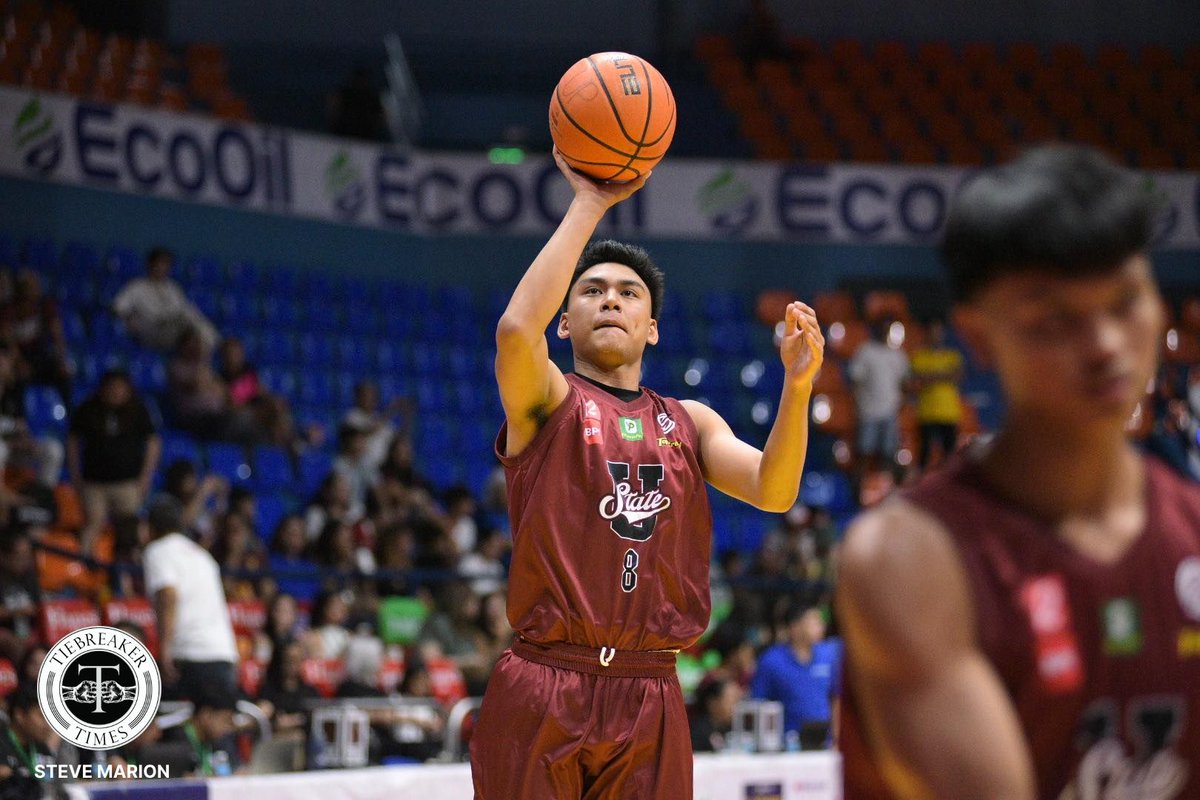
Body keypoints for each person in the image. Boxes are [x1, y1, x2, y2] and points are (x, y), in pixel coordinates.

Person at [837, 144, 1200, 799]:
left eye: (1125, 302)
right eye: (1054, 320)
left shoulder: (1189, 527)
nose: (1106, 344)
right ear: (977, 335)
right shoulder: (908, 558)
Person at [470, 150, 824, 799]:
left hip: (650, 688)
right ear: (567, 321)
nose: (611, 299)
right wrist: (591, 200)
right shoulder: (548, 402)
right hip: (545, 676)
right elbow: (518, 330)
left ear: (653, 328)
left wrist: (797, 389)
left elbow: (775, 490)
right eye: (592, 291)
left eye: (628, 293)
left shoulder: (691, 421)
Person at [141, 495, 239, 702]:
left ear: (151, 527)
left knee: (179, 730)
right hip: (223, 653)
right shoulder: (202, 555)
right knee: (218, 731)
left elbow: (168, 595)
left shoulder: (158, 551)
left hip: (190, 655)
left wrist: (165, 649)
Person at [67, 369, 160, 554]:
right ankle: (84, 567)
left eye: (120, 388)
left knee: (131, 531)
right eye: (112, 387)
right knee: (93, 523)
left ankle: (128, 572)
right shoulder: (88, 409)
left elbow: (153, 442)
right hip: (94, 483)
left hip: (127, 483)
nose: (116, 392)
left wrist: (145, 477)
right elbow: (73, 442)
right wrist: (75, 475)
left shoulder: (138, 410)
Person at [750, 602, 839, 748]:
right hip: (787, 744)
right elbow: (758, 704)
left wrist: (836, 738)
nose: (821, 624)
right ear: (795, 627)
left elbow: (836, 698)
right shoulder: (772, 660)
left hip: (825, 742)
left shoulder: (828, 655)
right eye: (814, 620)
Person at [112, 246, 218, 353]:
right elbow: (117, 307)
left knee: (194, 318)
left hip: (173, 331)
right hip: (150, 330)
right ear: (150, 264)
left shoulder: (173, 287)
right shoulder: (137, 285)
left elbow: (183, 310)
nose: (162, 267)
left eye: (166, 264)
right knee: (188, 321)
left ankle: (217, 346)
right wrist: (129, 319)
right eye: (159, 263)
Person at [847, 319, 909, 481]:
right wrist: (858, 403)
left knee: (888, 453)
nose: (885, 332)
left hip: (890, 411)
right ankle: (859, 488)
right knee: (864, 452)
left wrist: (900, 402)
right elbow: (855, 379)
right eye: (882, 328)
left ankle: (885, 489)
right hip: (868, 410)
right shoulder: (866, 351)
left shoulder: (898, 354)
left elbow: (904, 383)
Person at [909, 317, 966, 470]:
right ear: (927, 334)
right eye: (932, 331)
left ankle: (950, 488)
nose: (936, 335)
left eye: (938, 331)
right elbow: (917, 378)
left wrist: (931, 376)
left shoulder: (952, 355)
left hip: (949, 413)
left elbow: (958, 376)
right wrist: (943, 375)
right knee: (925, 453)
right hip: (927, 413)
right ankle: (920, 488)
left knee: (950, 455)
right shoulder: (919, 356)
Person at [689, 676, 743, 753]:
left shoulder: (736, 729)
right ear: (713, 703)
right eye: (731, 700)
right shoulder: (698, 732)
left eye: (737, 700)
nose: (736, 706)